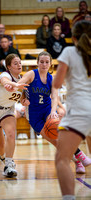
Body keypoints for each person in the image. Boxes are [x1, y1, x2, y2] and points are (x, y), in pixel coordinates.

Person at [18, 51, 91, 174]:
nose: (44, 64)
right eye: (41, 62)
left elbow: (55, 97)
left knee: (61, 135)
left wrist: (53, 112)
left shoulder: (52, 78)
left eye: (47, 62)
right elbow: (20, 85)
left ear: (51, 64)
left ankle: (80, 155)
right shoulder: (31, 74)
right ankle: (76, 160)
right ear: (37, 63)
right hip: (34, 115)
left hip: (47, 110)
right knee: (55, 141)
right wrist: (20, 97)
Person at [53, 20, 91, 200]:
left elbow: (57, 84)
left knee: (62, 159)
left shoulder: (69, 51)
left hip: (79, 111)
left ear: (73, 37)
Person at [0, 53, 28, 177]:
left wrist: (25, 101)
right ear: (9, 67)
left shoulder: (22, 80)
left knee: (11, 134)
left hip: (7, 110)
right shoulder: (5, 75)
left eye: (20, 62)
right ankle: (3, 157)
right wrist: (13, 85)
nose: (19, 65)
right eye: (15, 63)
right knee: (0, 144)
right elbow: (4, 81)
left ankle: (9, 165)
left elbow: (22, 97)